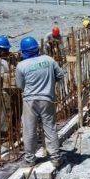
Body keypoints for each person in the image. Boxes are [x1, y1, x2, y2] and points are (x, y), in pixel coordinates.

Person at [15, 37, 65, 167]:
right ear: (37, 49)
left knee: (29, 129)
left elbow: (20, 85)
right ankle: (55, 158)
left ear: (24, 52)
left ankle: (30, 159)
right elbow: (60, 75)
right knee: (50, 128)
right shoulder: (49, 60)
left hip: (30, 101)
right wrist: (49, 84)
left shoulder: (21, 66)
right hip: (47, 99)